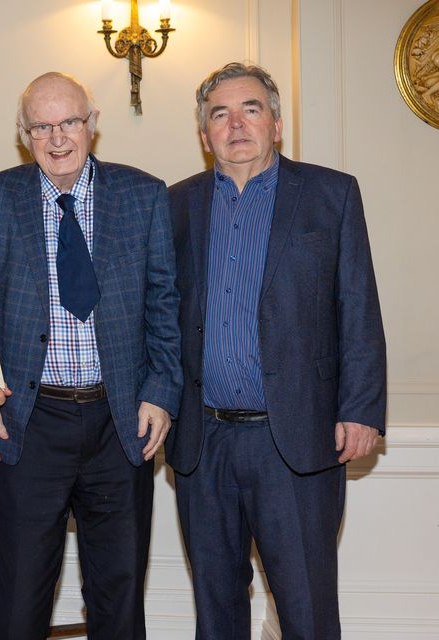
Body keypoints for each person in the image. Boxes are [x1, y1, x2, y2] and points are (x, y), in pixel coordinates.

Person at [164, 62, 386, 639]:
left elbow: (357, 305)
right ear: (204, 132)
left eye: (251, 109)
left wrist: (360, 408)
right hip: (202, 443)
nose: (235, 124)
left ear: (278, 123)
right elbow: (158, 317)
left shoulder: (330, 195)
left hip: (295, 439)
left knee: (306, 609)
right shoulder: (175, 206)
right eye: (220, 114)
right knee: (216, 612)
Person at [0, 71, 182, 640]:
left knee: (119, 598)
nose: (57, 138)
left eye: (69, 123)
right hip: (25, 425)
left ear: (92, 124)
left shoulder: (143, 194)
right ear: (23, 133)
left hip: (120, 423)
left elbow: (164, 301)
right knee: (19, 604)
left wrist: (160, 389)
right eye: (41, 126)